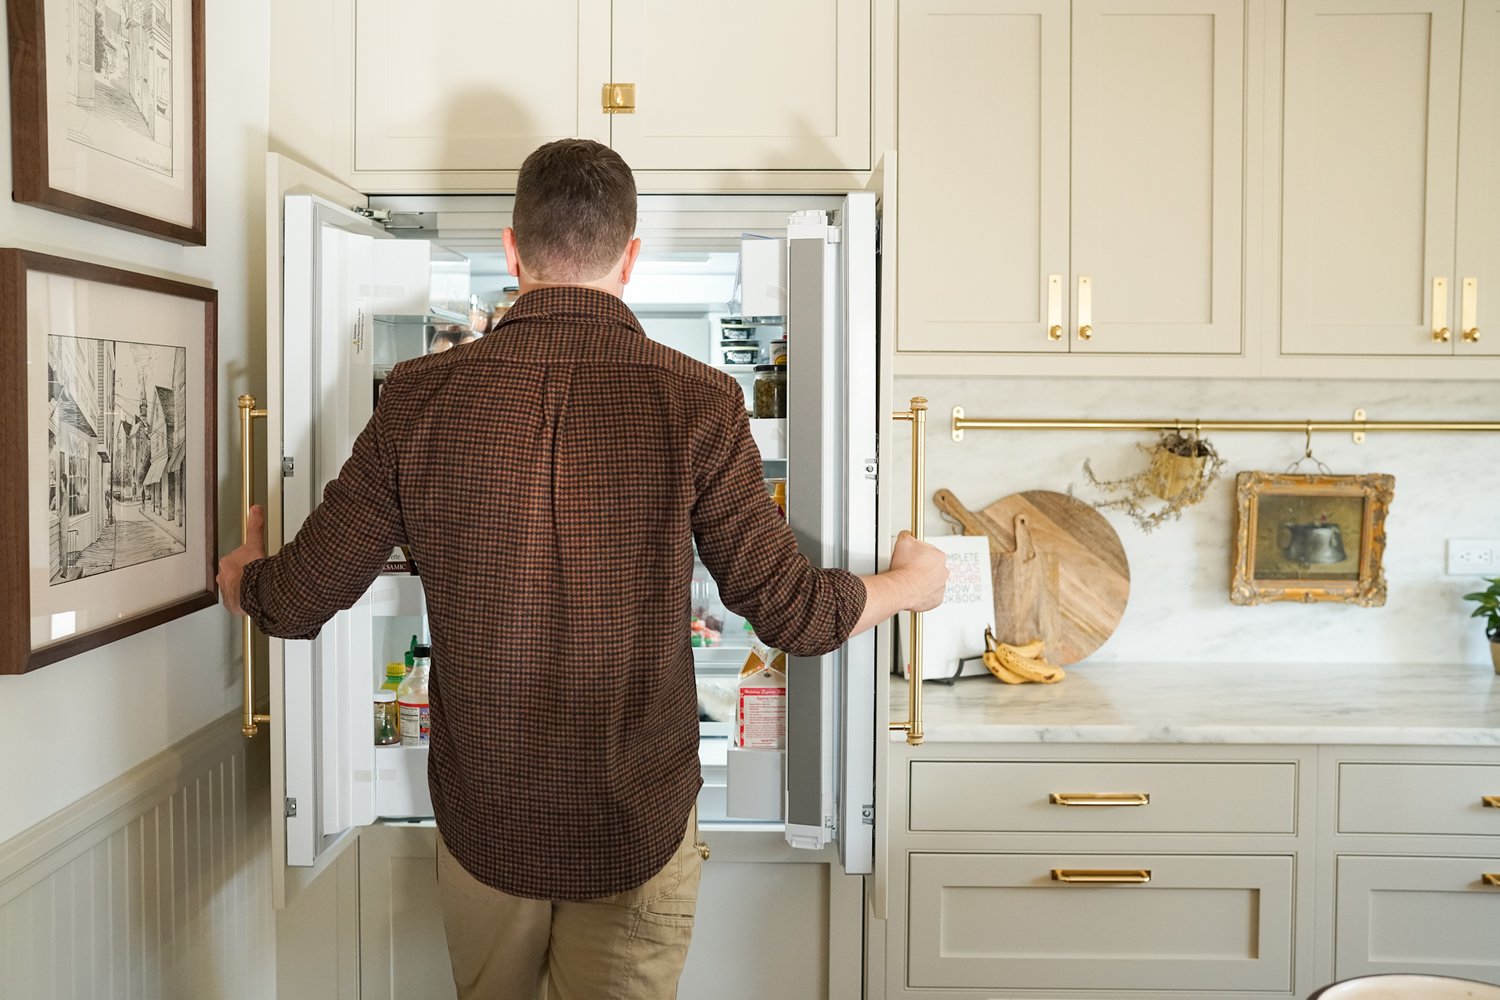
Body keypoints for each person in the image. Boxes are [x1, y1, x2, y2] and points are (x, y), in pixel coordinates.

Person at [217, 138, 948, 1000]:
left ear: (511, 249)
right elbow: (789, 612)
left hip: (487, 823)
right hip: (634, 827)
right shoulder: (699, 401)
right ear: (631, 257)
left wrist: (241, 574)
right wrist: (913, 585)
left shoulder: (418, 396)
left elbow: (297, 601)